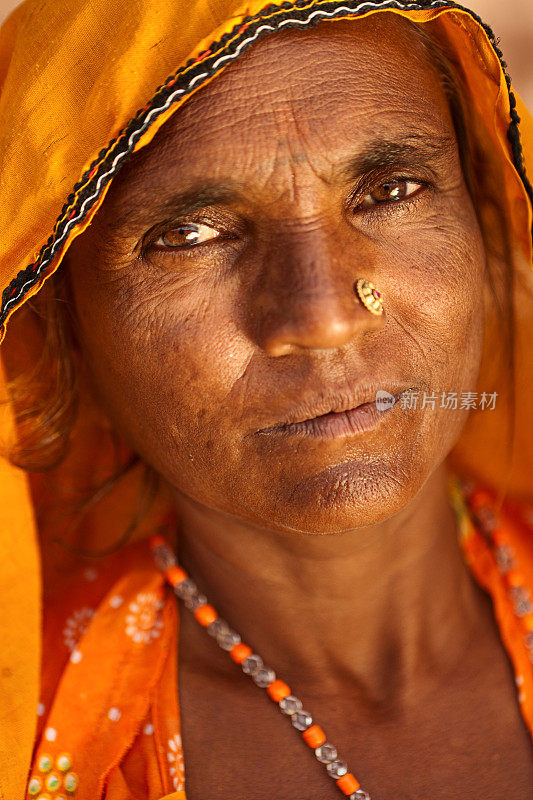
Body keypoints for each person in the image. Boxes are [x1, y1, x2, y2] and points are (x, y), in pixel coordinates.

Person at [0, 1, 532, 798]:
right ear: (58, 334)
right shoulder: (36, 732)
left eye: (390, 189)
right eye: (190, 235)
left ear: (488, 235)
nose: (320, 318)